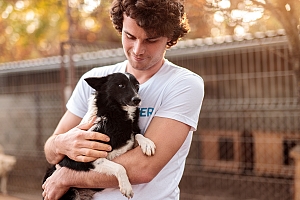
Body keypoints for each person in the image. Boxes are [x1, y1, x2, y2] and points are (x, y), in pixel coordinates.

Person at [42, 0, 204, 199]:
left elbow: (144, 167)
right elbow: (51, 151)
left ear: (170, 37)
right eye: (130, 36)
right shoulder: (96, 79)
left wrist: (67, 176)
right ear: (121, 27)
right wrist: (61, 143)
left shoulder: (183, 84)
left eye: (151, 40)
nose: (137, 50)